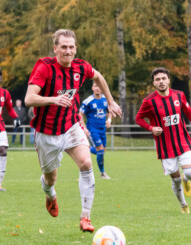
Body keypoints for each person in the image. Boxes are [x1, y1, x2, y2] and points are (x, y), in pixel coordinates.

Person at [25, 29, 122, 232]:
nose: (68, 51)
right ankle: (50, 194)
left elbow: (99, 77)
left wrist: (111, 101)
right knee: (50, 179)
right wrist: (52, 99)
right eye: (63, 47)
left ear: (75, 48)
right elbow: (29, 99)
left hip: (71, 125)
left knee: (87, 163)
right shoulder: (44, 68)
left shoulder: (80, 67)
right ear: (55, 48)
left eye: (71, 47)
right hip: (47, 133)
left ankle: (85, 217)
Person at [135, 67, 191, 214]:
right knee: (175, 179)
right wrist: (151, 128)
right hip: (165, 148)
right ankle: (183, 204)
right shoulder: (149, 101)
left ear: (168, 80)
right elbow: (138, 118)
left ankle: (187, 181)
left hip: (183, 142)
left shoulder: (179, 95)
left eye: (163, 78)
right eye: (157, 79)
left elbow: (187, 110)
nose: (161, 82)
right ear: (153, 83)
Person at [79, 82, 112, 179]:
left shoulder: (105, 100)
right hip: (92, 130)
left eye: (99, 86)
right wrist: (84, 127)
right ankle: (103, 174)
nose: (97, 88)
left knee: (101, 152)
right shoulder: (87, 101)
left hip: (102, 129)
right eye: (95, 86)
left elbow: (110, 110)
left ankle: (84, 149)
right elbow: (80, 115)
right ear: (92, 88)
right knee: (100, 151)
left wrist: (109, 120)